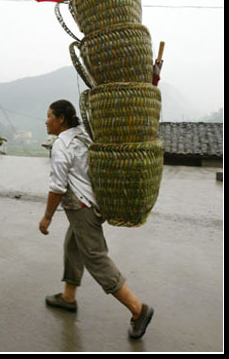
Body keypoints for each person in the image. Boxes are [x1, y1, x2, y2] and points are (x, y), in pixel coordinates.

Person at [39, 99, 154, 340]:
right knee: (73, 245)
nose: (46, 120)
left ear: (61, 119)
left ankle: (138, 309)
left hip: (82, 207)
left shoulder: (62, 144)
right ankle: (68, 297)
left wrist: (47, 217)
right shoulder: (82, 134)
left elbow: (58, 187)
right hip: (95, 201)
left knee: (94, 256)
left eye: (49, 116)